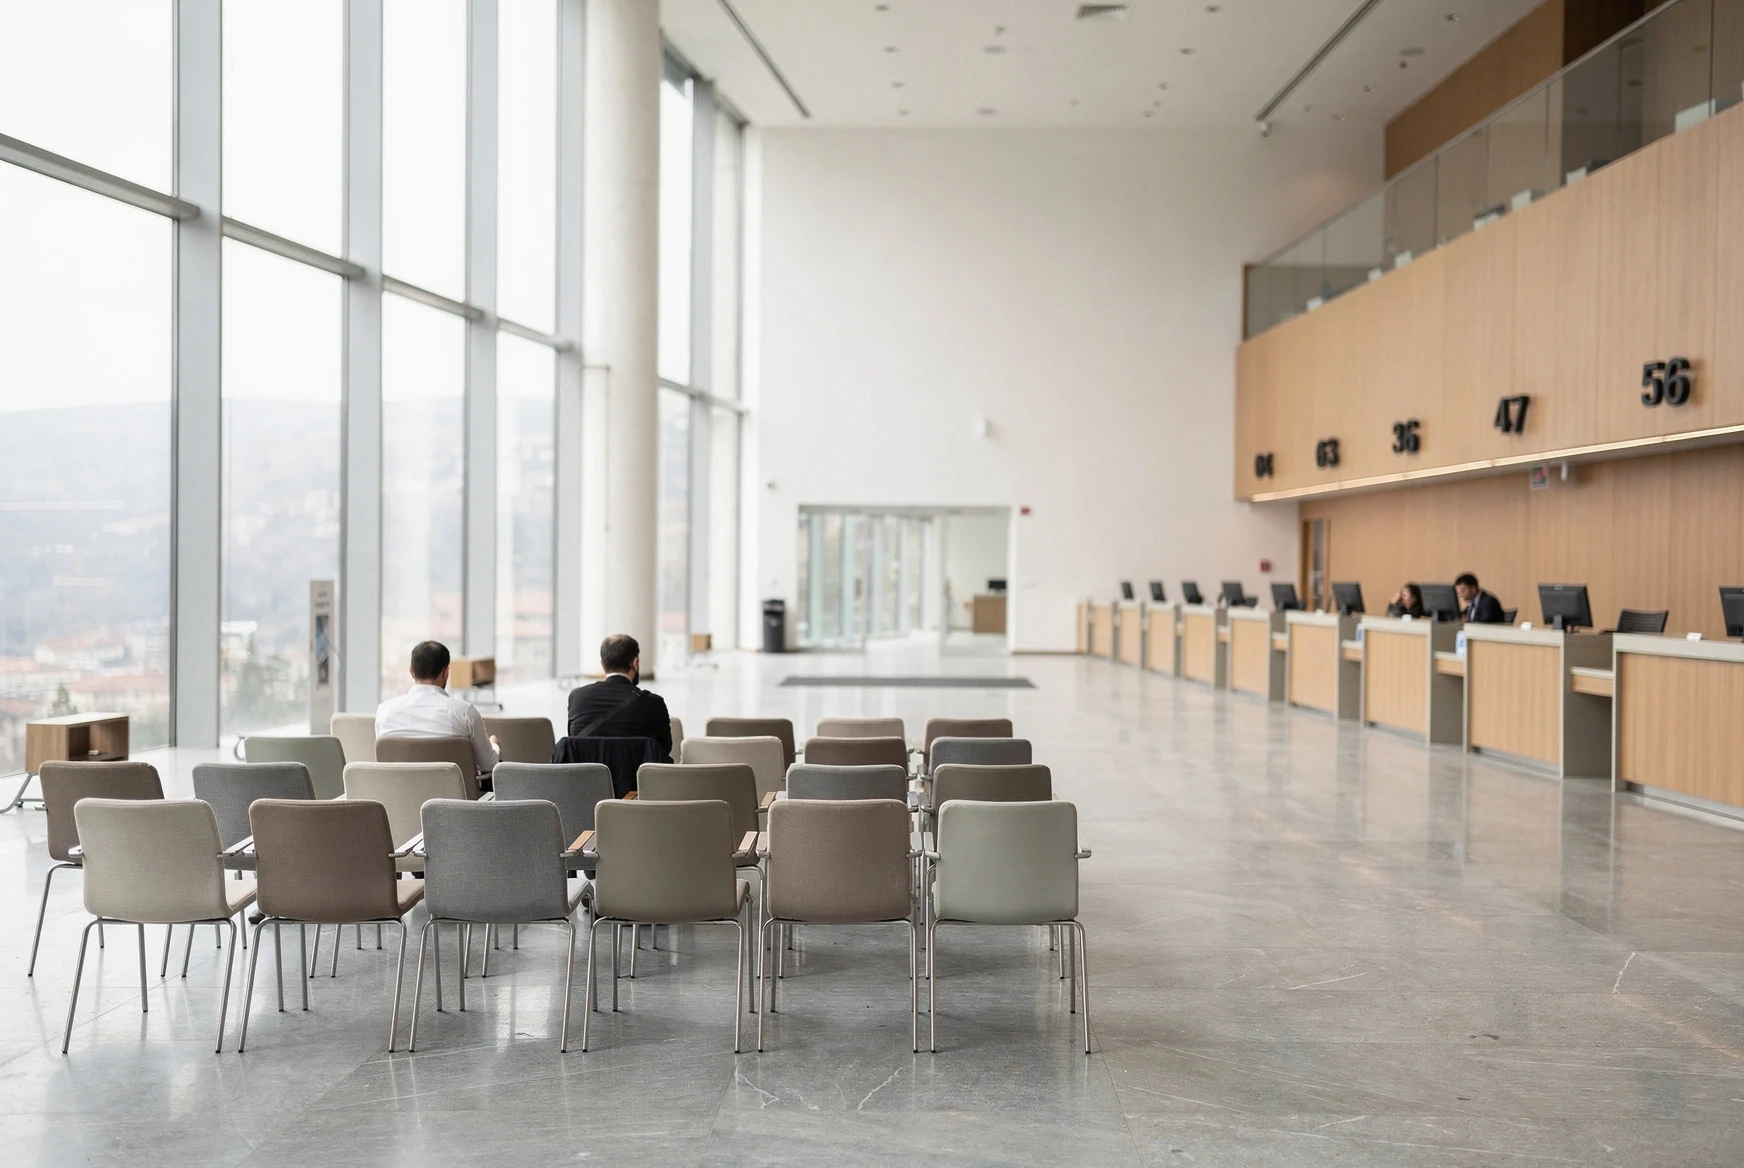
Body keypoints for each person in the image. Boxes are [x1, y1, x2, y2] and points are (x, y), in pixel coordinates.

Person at [375, 640, 499, 775]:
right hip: (454, 796)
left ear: (411, 671)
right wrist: (495, 745)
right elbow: (489, 765)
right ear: (446, 673)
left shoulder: (384, 712)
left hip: (398, 794)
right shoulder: (464, 713)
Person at [566, 634, 673, 762]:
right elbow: (664, 749)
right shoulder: (654, 703)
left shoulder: (577, 698)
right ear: (635, 663)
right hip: (637, 781)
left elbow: (575, 744)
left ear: (602, 665)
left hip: (588, 780)